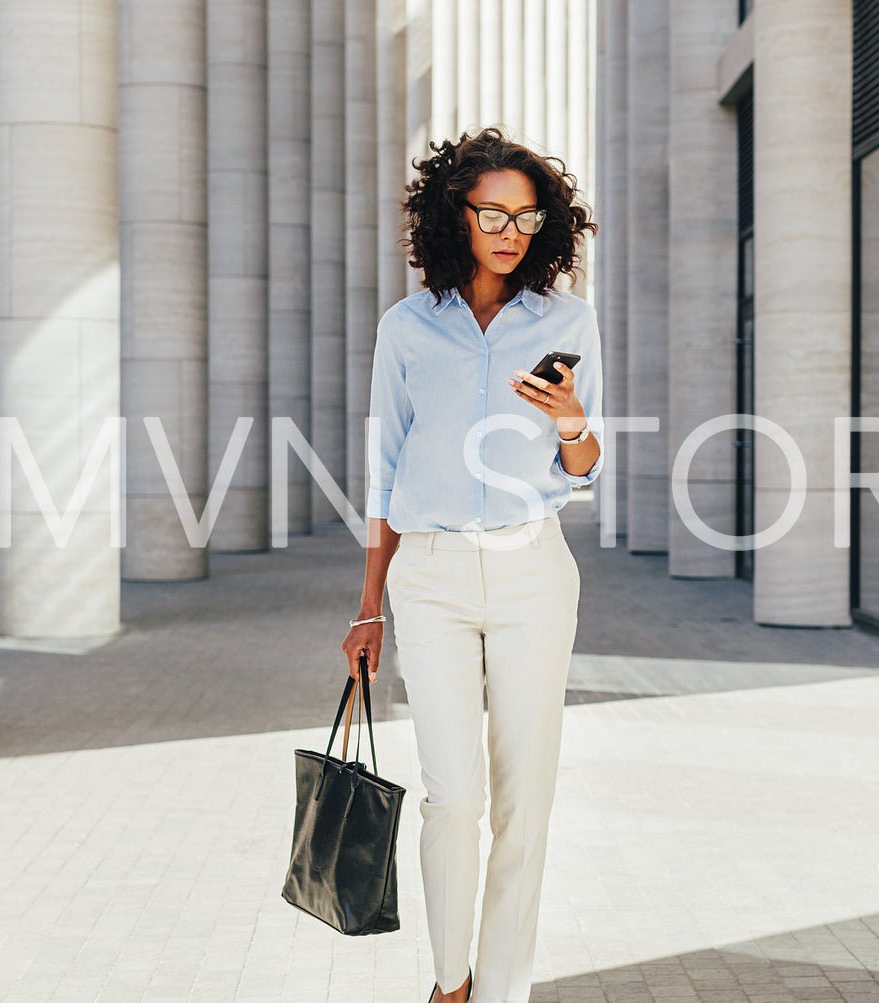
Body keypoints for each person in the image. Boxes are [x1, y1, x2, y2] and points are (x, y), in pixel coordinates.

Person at [340, 126, 602, 1003]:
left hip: (533, 572)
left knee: (524, 801)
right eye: (491, 211)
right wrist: (368, 605)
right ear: (454, 214)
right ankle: (448, 983)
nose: (508, 230)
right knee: (452, 798)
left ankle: (499, 992)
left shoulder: (569, 321)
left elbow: (584, 464)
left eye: (526, 216)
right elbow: (384, 470)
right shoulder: (406, 328)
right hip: (432, 575)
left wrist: (568, 414)